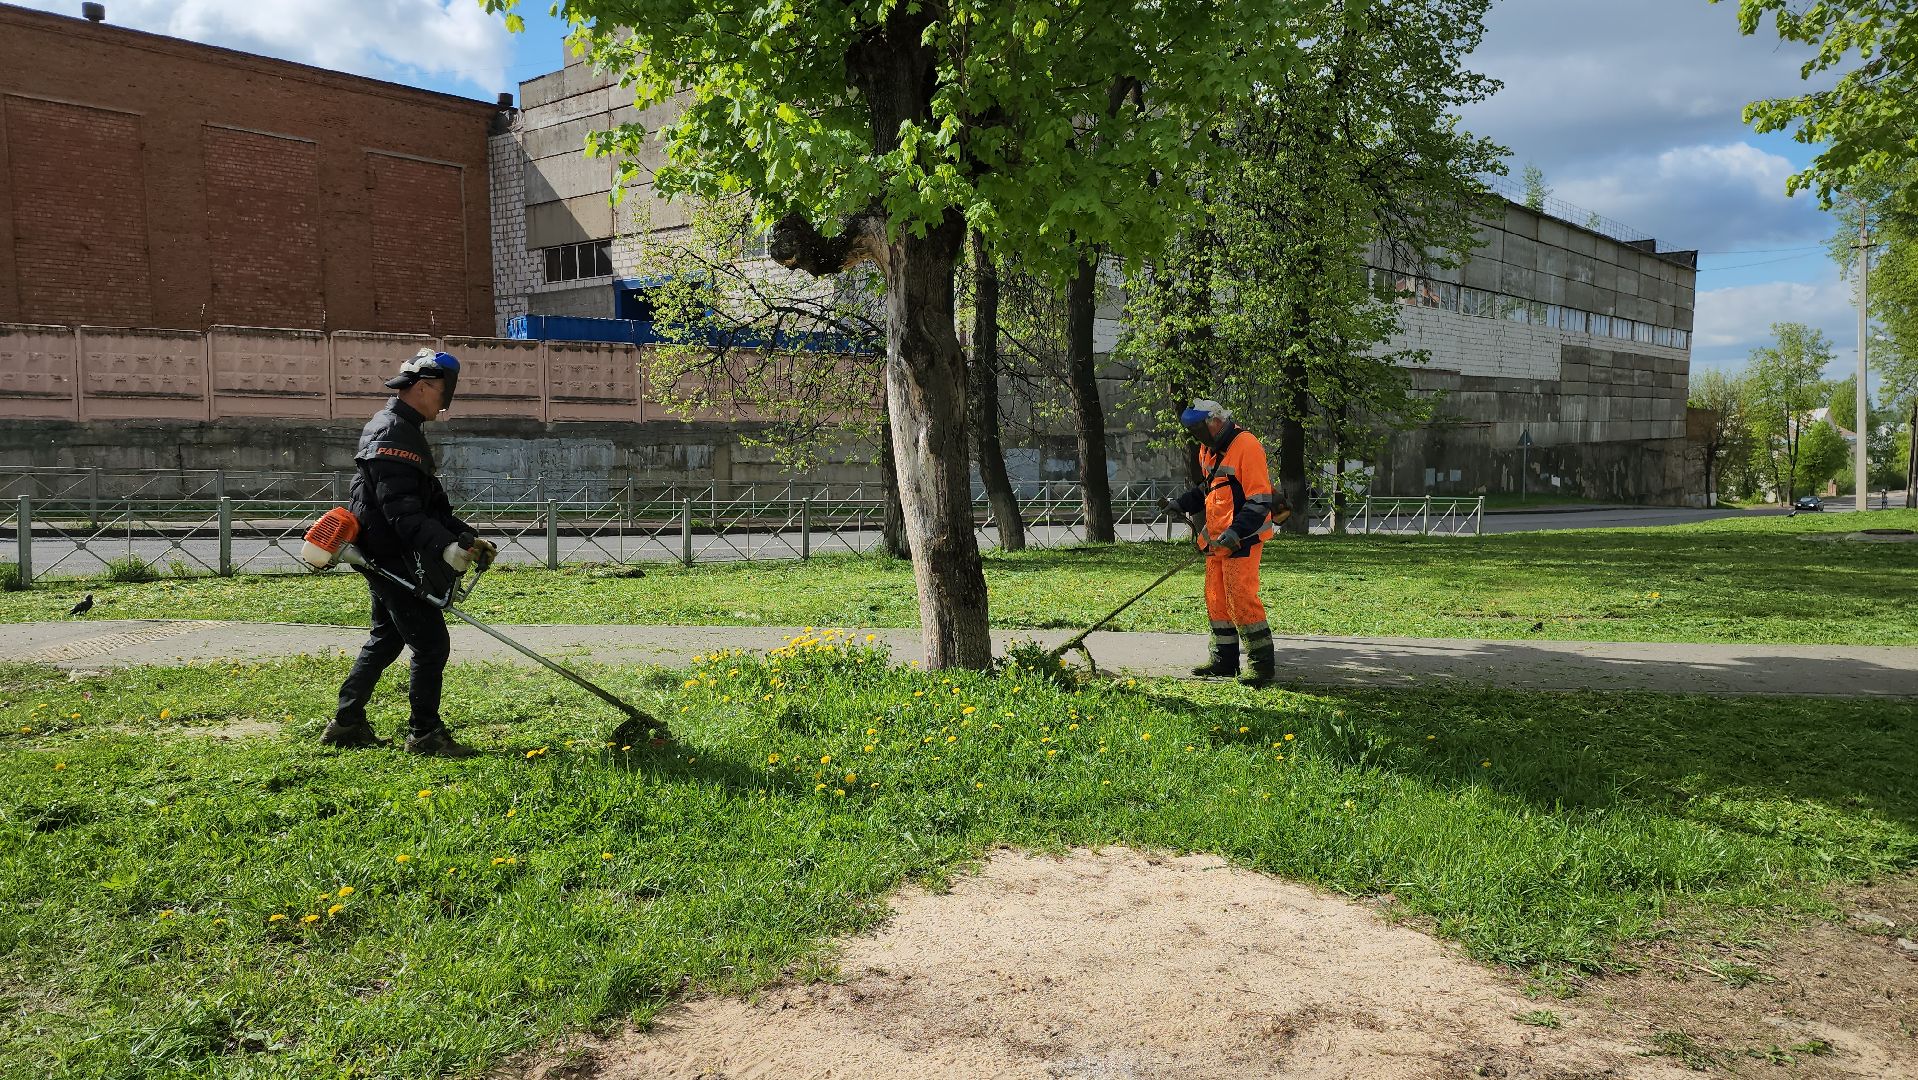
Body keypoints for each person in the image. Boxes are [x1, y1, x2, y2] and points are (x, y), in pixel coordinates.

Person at [319, 349, 496, 756]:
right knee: (431, 644)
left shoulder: (403, 429)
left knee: (386, 638)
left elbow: (429, 505)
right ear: (424, 387)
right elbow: (401, 512)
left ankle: (346, 724)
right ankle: (424, 734)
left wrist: (465, 538)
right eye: (443, 393)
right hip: (386, 555)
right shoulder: (392, 434)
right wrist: (444, 546)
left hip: (382, 551)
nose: (445, 402)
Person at [1165, 400, 1282, 688]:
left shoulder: (1247, 445)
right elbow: (1209, 487)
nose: (1196, 436)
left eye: (1198, 428)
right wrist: (1180, 503)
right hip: (1216, 539)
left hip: (1243, 538)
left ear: (1216, 421)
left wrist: (1237, 531)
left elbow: (1260, 499)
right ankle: (1224, 661)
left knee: (1241, 598)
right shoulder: (1208, 450)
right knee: (1217, 599)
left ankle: (1260, 665)